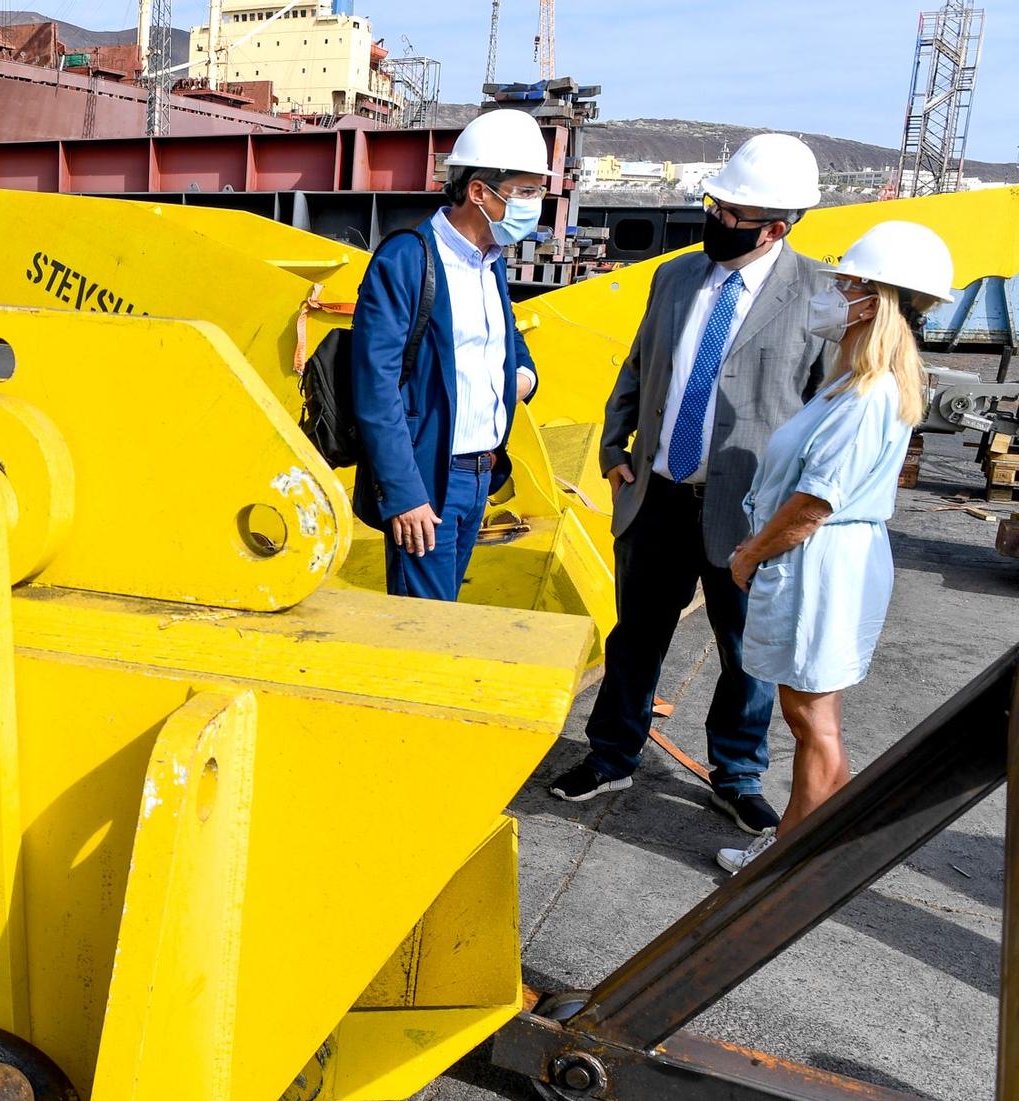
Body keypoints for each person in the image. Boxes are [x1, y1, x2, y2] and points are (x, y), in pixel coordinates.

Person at [549, 133, 831, 837]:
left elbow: (829, 410)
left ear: (777, 226)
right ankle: (612, 753)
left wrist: (802, 511)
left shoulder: (821, 297)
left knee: (748, 654)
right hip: (658, 497)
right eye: (716, 204)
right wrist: (616, 448)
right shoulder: (675, 278)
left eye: (731, 213)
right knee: (635, 637)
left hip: (749, 513)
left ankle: (735, 774)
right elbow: (640, 368)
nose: (715, 220)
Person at [715, 222, 954, 873]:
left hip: (823, 564)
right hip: (832, 562)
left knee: (811, 719)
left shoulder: (867, 392)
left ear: (873, 300)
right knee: (814, 714)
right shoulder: (855, 383)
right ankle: (808, 845)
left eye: (846, 282)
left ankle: (794, 862)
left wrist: (750, 554)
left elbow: (814, 503)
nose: (833, 291)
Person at [348, 107, 544, 600]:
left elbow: (508, 339)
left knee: (445, 615)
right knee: (425, 627)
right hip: (430, 478)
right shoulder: (408, 259)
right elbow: (375, 388)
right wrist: (404, 494)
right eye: (525, 191)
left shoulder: (490, 262)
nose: (535, 204)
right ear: (480, 192)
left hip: (482, 474)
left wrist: (523, 375)